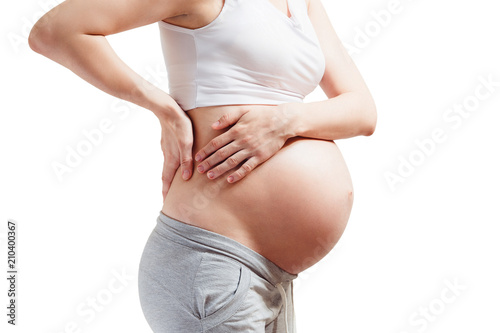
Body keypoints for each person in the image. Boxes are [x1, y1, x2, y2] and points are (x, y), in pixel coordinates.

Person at [29, 0, 377, 331]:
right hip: (211, 264)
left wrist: (284, 121)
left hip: (271, 276)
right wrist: (163, 108)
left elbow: (362, 111)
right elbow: (55, 31)